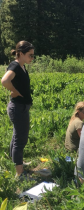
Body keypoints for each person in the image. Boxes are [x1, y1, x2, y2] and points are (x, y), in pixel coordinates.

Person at [1, 41, 34, 178]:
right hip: (18, 108)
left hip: (21, 107)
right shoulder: (15, 65)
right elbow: (4, 81)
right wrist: (14, 91)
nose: (32, 58)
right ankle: (19, 173)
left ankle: (16, 162)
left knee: (17, 137)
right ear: (20, 54)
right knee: (20, 140)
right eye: (30, 55)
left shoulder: (21, 66)